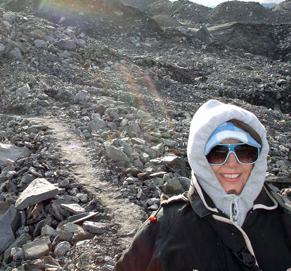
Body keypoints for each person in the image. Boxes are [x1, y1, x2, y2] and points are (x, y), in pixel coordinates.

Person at [114, 99, 291, 271]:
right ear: (201, 160)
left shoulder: (285, 221)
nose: (232, 163)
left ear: (258, 159)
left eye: (245, 152)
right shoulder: (166, 225)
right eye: (217, 153)